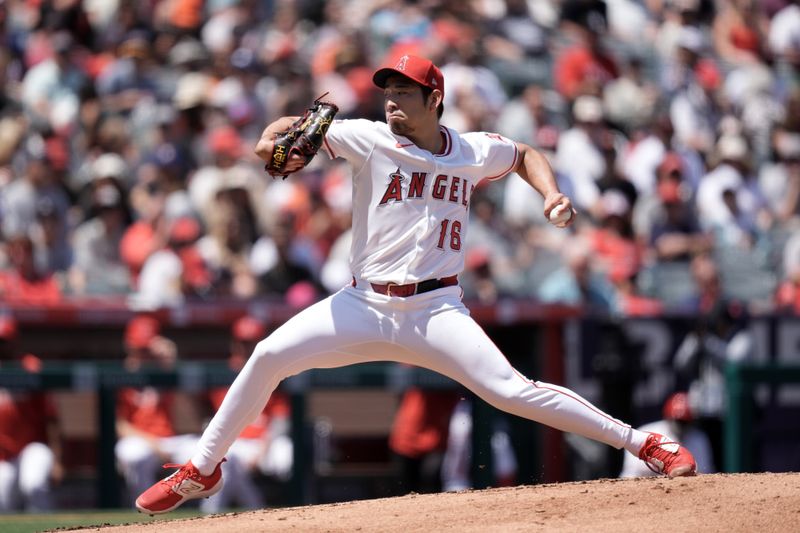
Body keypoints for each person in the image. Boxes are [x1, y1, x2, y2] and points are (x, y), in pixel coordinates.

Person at [135, 54, 697, 515]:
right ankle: (203, 469)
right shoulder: (366, 138)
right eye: (388, 90)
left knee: (511, 392)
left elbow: (524, 154)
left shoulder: (472, 149)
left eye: (405, 92)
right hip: (363, 303)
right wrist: (285, 133)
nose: (392, 101)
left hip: (435, 308)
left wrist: (549, 194)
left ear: (435, 101)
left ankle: (645, 442)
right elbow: (271, 145)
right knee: (267, 354)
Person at [200, 315, 292, 513]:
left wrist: (264, 448)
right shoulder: (223, 372)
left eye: (252, 342)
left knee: (288, 455)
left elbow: (280, 417)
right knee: (227, 459)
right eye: (243, 342)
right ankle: (213, 515)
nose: (247, 347)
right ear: (235, 343)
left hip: (265, 441)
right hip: (235, 443)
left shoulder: (271, 369)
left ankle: (301, 510)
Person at [115, 315, 198, 505]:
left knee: (207, 455)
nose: (143, 354)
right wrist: (153, 444)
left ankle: (204, 516)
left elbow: (193, 414)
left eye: (147, 349)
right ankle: (143, 512)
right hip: (141, 441)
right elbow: (118, 424)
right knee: (134, 454)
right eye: (139, 349)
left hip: (171, 441)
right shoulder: (121, 375)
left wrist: (172, 364)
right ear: (129, 346)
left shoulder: (166, 370)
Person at [0, 315, 62, 512]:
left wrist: (58, 460)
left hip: (32, 446)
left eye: (4, 342)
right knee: (2, 497)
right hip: (3, 454)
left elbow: (51, 417)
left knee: (33, 485)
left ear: (14, 341)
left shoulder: (30, 367)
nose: (1, 347)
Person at [620, 392, 715, 478]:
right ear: (667, 417)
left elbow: (705, 474)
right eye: (677, 421)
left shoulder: (698, 438)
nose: (680, 426)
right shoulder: (645, 433)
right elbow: (630, 473)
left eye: (684, 422)